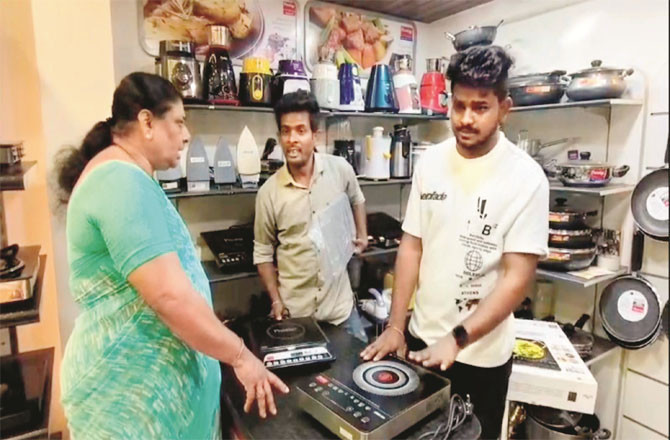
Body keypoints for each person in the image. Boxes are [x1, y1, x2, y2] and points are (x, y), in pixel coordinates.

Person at [56, 72, 288, 439]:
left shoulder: (130, 177)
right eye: (178, 122)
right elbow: (168, 296)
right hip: (128, 401)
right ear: (147, 122)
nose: (186, 134)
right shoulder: (118, 181)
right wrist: (241, 356)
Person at [360, 46, 549, 439]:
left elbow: (516, 279)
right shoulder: (430, 162)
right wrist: (396, 326)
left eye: (480, 108)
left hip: (481, 358)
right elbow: (412, 247)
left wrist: (457, 339)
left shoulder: (526, 178)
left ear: (504, 109)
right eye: (458, 105)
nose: (465, 118)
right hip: (421, 343)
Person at [253, 90, 369, 342]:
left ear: (315, 135)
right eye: (285, 131)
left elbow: (357, 198)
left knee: (360, 366)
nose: (292, 139)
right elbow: (262, 253)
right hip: (297, 317)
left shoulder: (340, 170)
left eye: (300, 130)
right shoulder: (268, 193)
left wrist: (362, 234)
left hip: (341, 312)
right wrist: (275, 300)